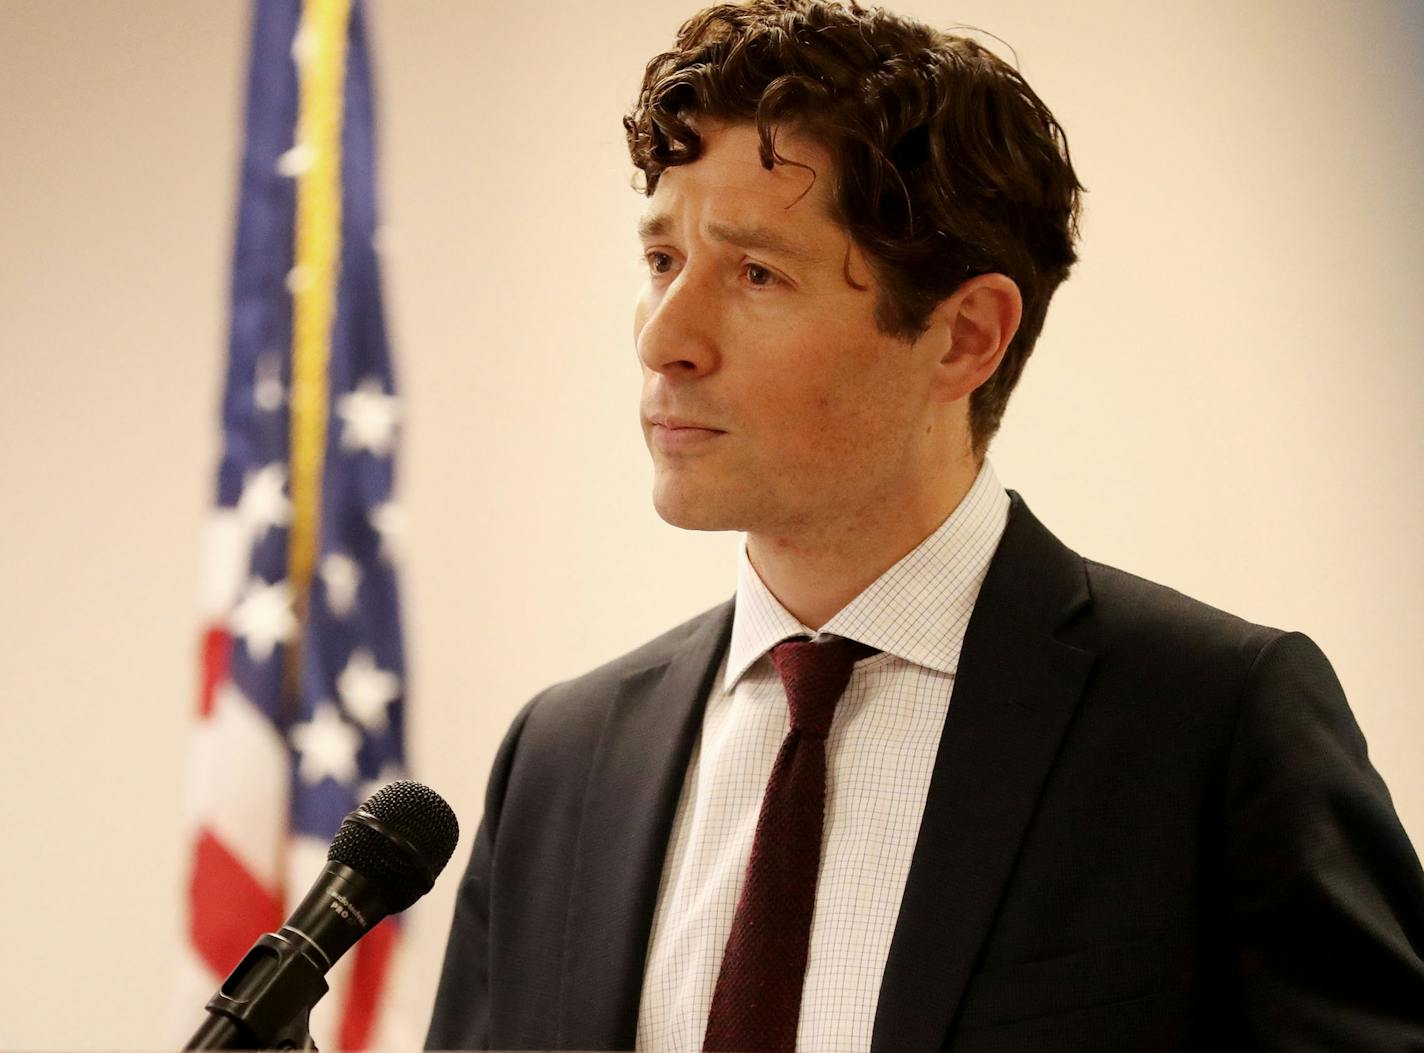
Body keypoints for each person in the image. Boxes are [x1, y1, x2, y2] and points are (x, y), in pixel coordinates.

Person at [425, 1, 1424, 1049]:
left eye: (756, 273)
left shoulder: (1210, 726)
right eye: (662, 260)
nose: (664, 338)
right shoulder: (560, 757)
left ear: (962, 337)